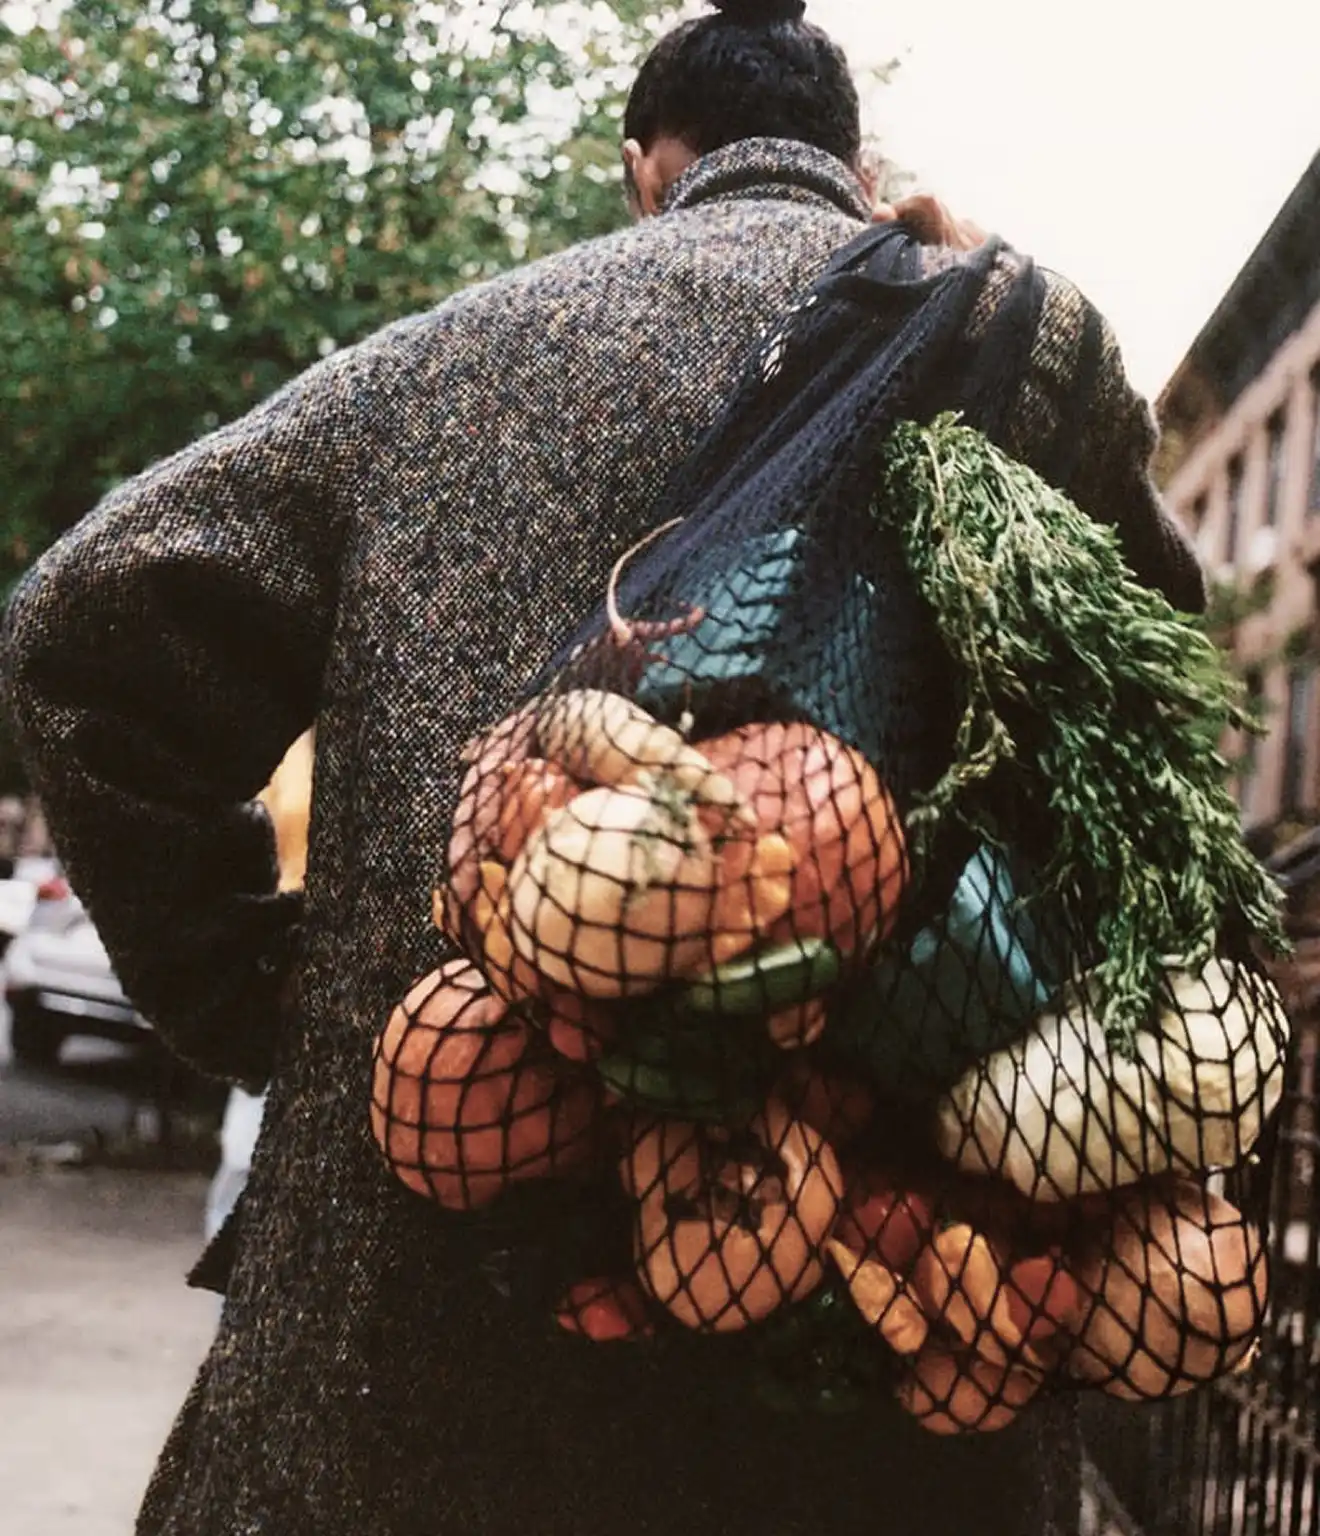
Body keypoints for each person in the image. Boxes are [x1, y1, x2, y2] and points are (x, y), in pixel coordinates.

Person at [0, 2, 1201, 1533]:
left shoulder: (454, 361)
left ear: (646, 167)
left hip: (429, 1318)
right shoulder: (1004, 349)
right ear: (856, 163)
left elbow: (78, 631)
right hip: (892, 1334)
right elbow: (1166, 636)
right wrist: (1019, 325)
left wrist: (257, 1001)